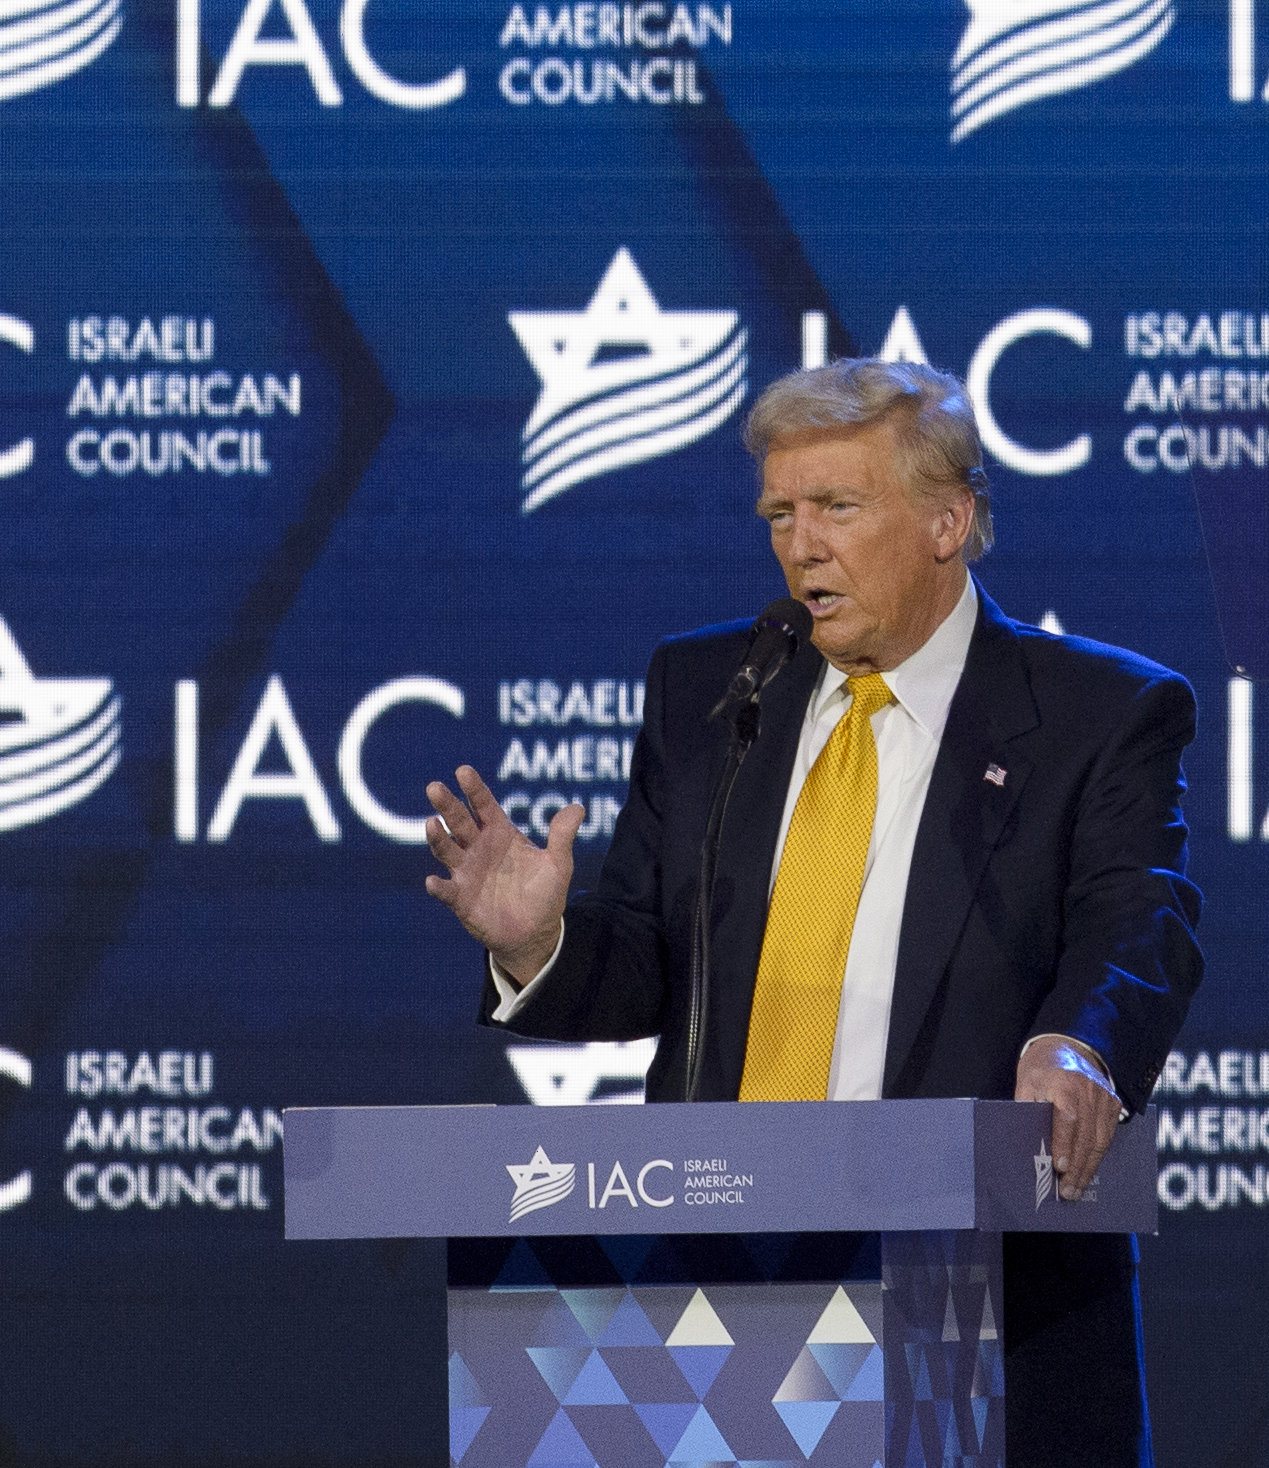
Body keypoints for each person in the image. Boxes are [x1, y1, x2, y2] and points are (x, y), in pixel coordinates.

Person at [423, 357, 1203, 1467]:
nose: (801, 544)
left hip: (975, 1302)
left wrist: (1077, 1042)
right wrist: (542, 942)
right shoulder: (713, 691)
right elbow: (650, 959)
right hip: (710, 1311)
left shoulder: (1099, 711)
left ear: (949, 519)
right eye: (780, 512)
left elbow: (1140, 920)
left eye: (837, 506)